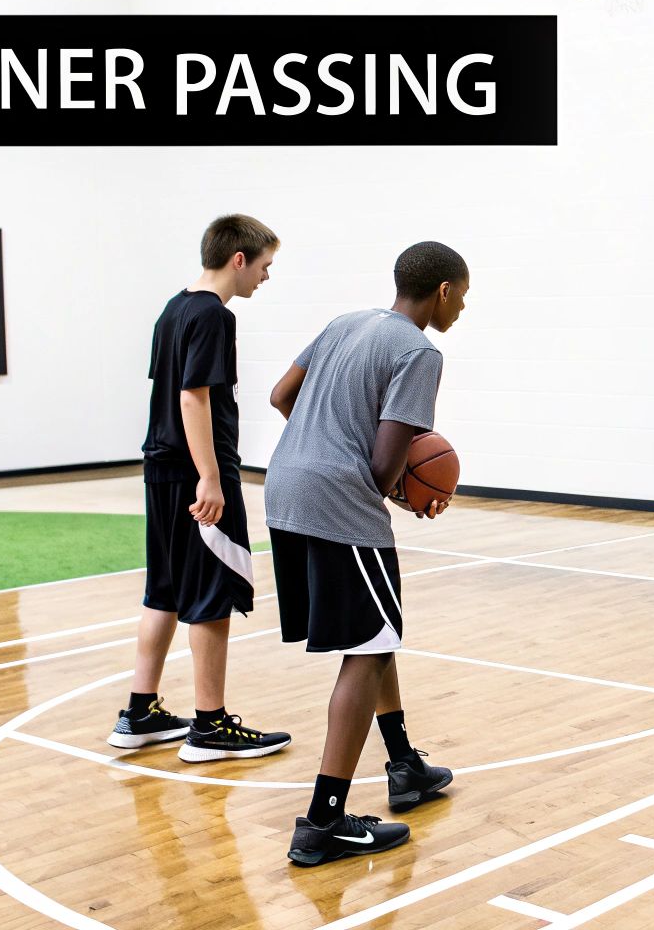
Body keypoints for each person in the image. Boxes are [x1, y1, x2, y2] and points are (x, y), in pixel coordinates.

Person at [265, 240, 468, 867]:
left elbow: (280, 395)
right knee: (372, 648)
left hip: (284, 487)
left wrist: (322, 442)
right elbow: (384, 468)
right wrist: (410, 494)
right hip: (339, 502)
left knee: (374, 635)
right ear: (441, 291)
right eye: (462, 294)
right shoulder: (419, 350)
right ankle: (323, 822)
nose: (462, 306)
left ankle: (404, 764)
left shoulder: (345, 322)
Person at [107, 214, 292, 763]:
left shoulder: (174, 307)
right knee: (211, 595)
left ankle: (140, 712)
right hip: (195, 473)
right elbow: (193, 397)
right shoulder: (213, 315)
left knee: (163, 589)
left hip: (160, 467)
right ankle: (210, 726)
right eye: (264, 266)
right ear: (239, 259)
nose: (265, 277)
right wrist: (210, 477)